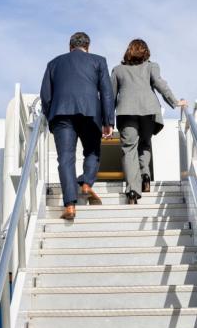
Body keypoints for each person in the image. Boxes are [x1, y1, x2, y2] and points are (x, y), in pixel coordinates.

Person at [40, 31, 115, 220]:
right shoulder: (98, 61)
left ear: (69, 46)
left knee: (65, 158)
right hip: (90, 113)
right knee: (92, 152)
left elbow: (46, 96)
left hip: (61, 114)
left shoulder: (54, 63)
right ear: (88, 47)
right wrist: (108, 121)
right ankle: (87, 183)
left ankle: (70, 206)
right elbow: (107, 93)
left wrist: (51, 117)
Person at [110, 39, 186, 204]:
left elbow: (111, 97)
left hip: (126, 112)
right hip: (149, 112)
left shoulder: (117, 70)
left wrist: (107, 120)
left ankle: (132, 191)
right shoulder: (152, 66)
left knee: (129, 150)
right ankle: (145, 175)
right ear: (146, 52)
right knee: (145, 142)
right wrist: (174, 101)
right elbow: (160, 84)